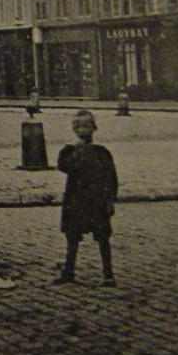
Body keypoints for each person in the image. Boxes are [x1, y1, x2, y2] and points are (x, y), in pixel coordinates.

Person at [54, 109, 119, 285]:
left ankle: (108, 274)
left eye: (86, 126)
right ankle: (69, 272)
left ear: (94, 128)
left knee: (102, 237)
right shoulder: (68, 152)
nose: (82, 130)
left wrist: (110, 200)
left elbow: (111, 178)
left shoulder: (102, 152)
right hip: (76, 200)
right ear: (74, 129)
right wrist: (76, 147)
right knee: (72, 236)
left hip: (97, 200)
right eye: (78, 126)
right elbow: (64, 166)